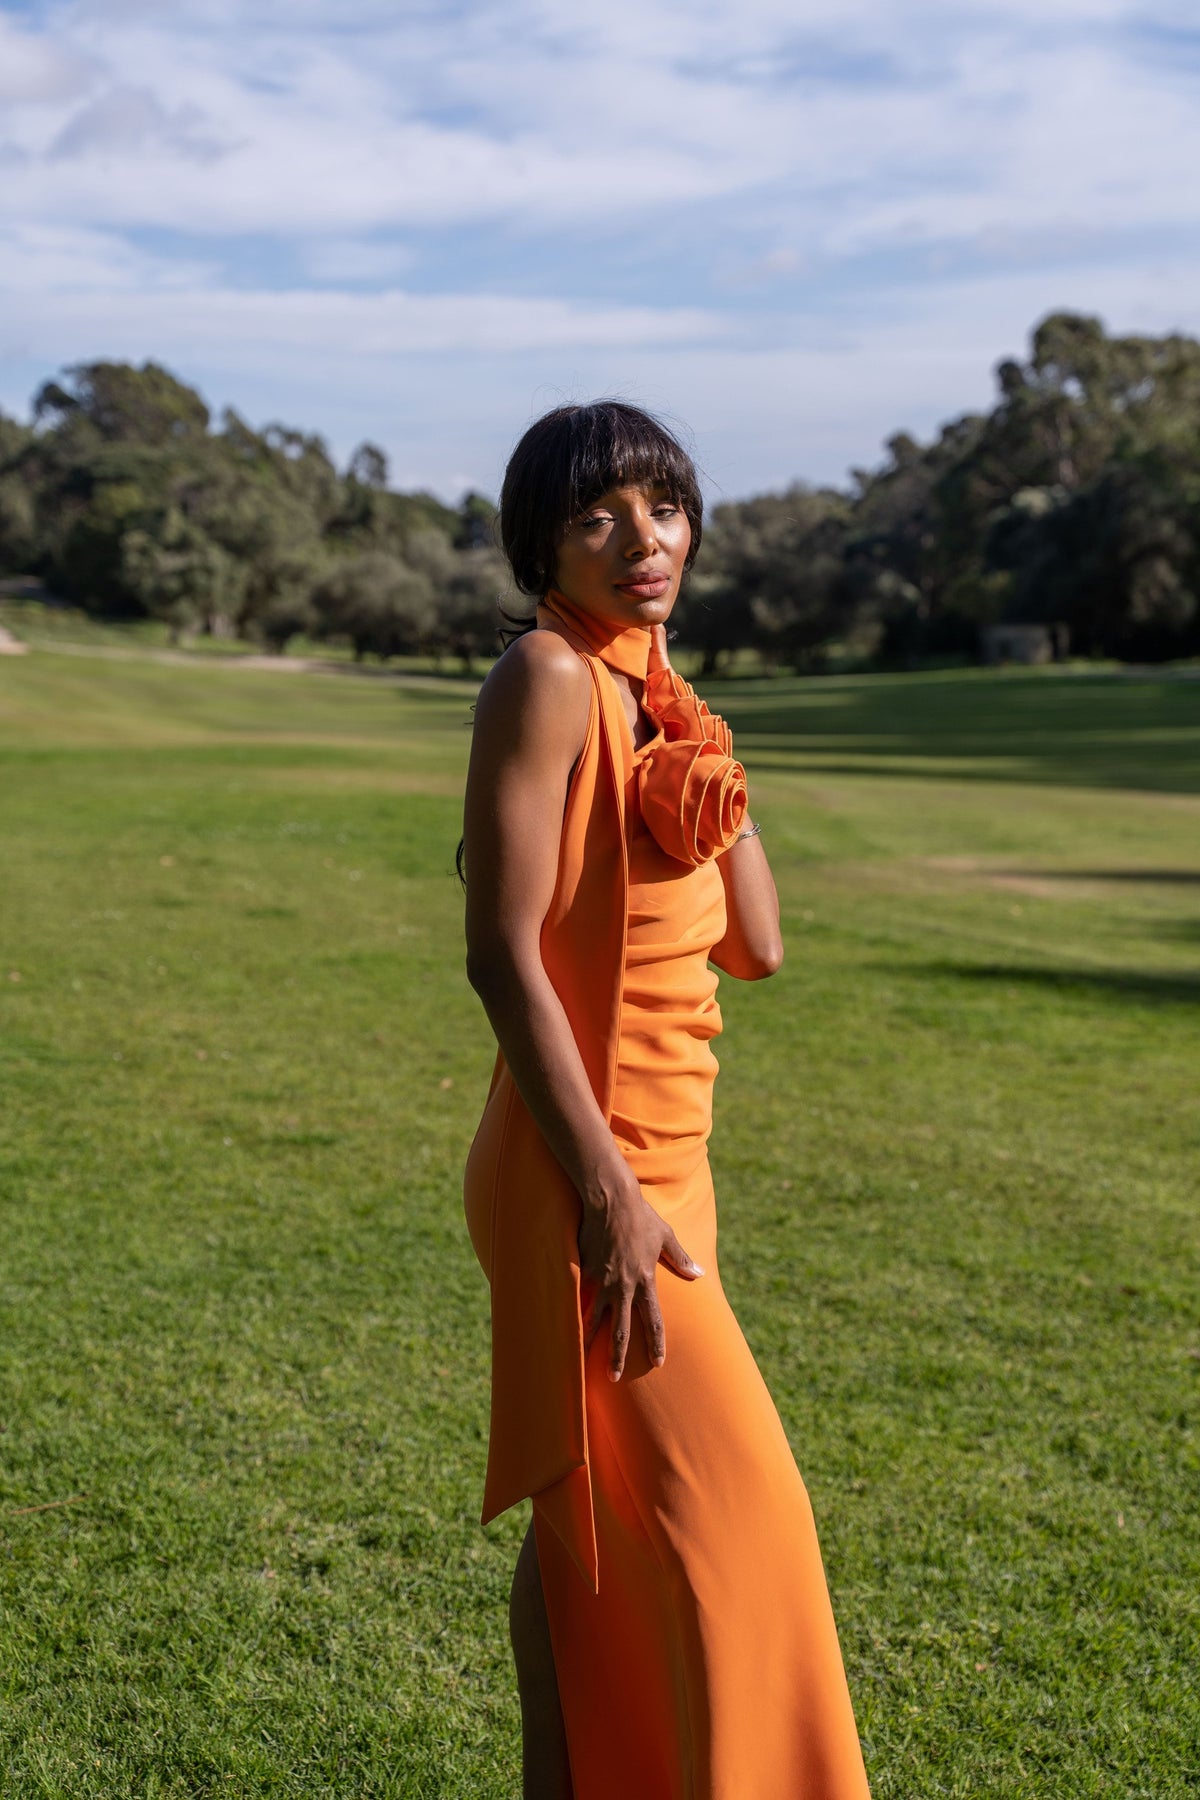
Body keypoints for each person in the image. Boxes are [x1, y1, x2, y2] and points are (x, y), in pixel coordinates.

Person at [461, 401, 871, 1800]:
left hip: (674, 1163)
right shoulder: (549, 679)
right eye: (598, 517)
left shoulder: (658, 699)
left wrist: (711, 766)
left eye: (663, 505)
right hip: (592, 1170)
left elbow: (757, 947)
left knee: (593, 1535)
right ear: (544, 547)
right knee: (745, 1526)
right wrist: (607, 1195)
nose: (644, 539)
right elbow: (500, 955)